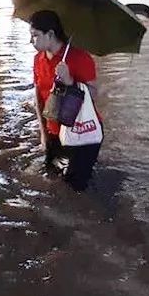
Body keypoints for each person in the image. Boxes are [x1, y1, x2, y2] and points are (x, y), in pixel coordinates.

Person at [30, 10, 101, 192]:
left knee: (76, 186)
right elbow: (39, 97)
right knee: (53, 176)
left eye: (35, 36)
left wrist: (69, 81)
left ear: (51, 34)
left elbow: (93, 93)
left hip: (83, 132)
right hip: (54, 131)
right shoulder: (38, 59)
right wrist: (43, 133)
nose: (31, 41)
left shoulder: (79, 58)